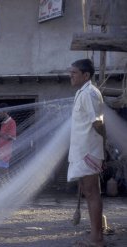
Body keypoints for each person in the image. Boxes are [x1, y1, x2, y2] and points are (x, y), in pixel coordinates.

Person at [68, 59, 106, 247]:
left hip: (88, 152)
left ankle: (96, 239)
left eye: (74, 73)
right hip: (82, 150)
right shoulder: (81, 93)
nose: (71, 76)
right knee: (89, 192)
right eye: (71, 72)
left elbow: (98, 122)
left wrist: (103, 146)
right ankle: (95, 235)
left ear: (86, 76)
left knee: (92, 193)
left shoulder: (90, 93)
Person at [0, 103, 16, 177]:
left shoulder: (11, 122)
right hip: (0, 151)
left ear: (5, 112)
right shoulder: (3, 123)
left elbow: (12, 137)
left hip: (6, 151)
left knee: (4, 172)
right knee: (0, 172)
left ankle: (7, 187)